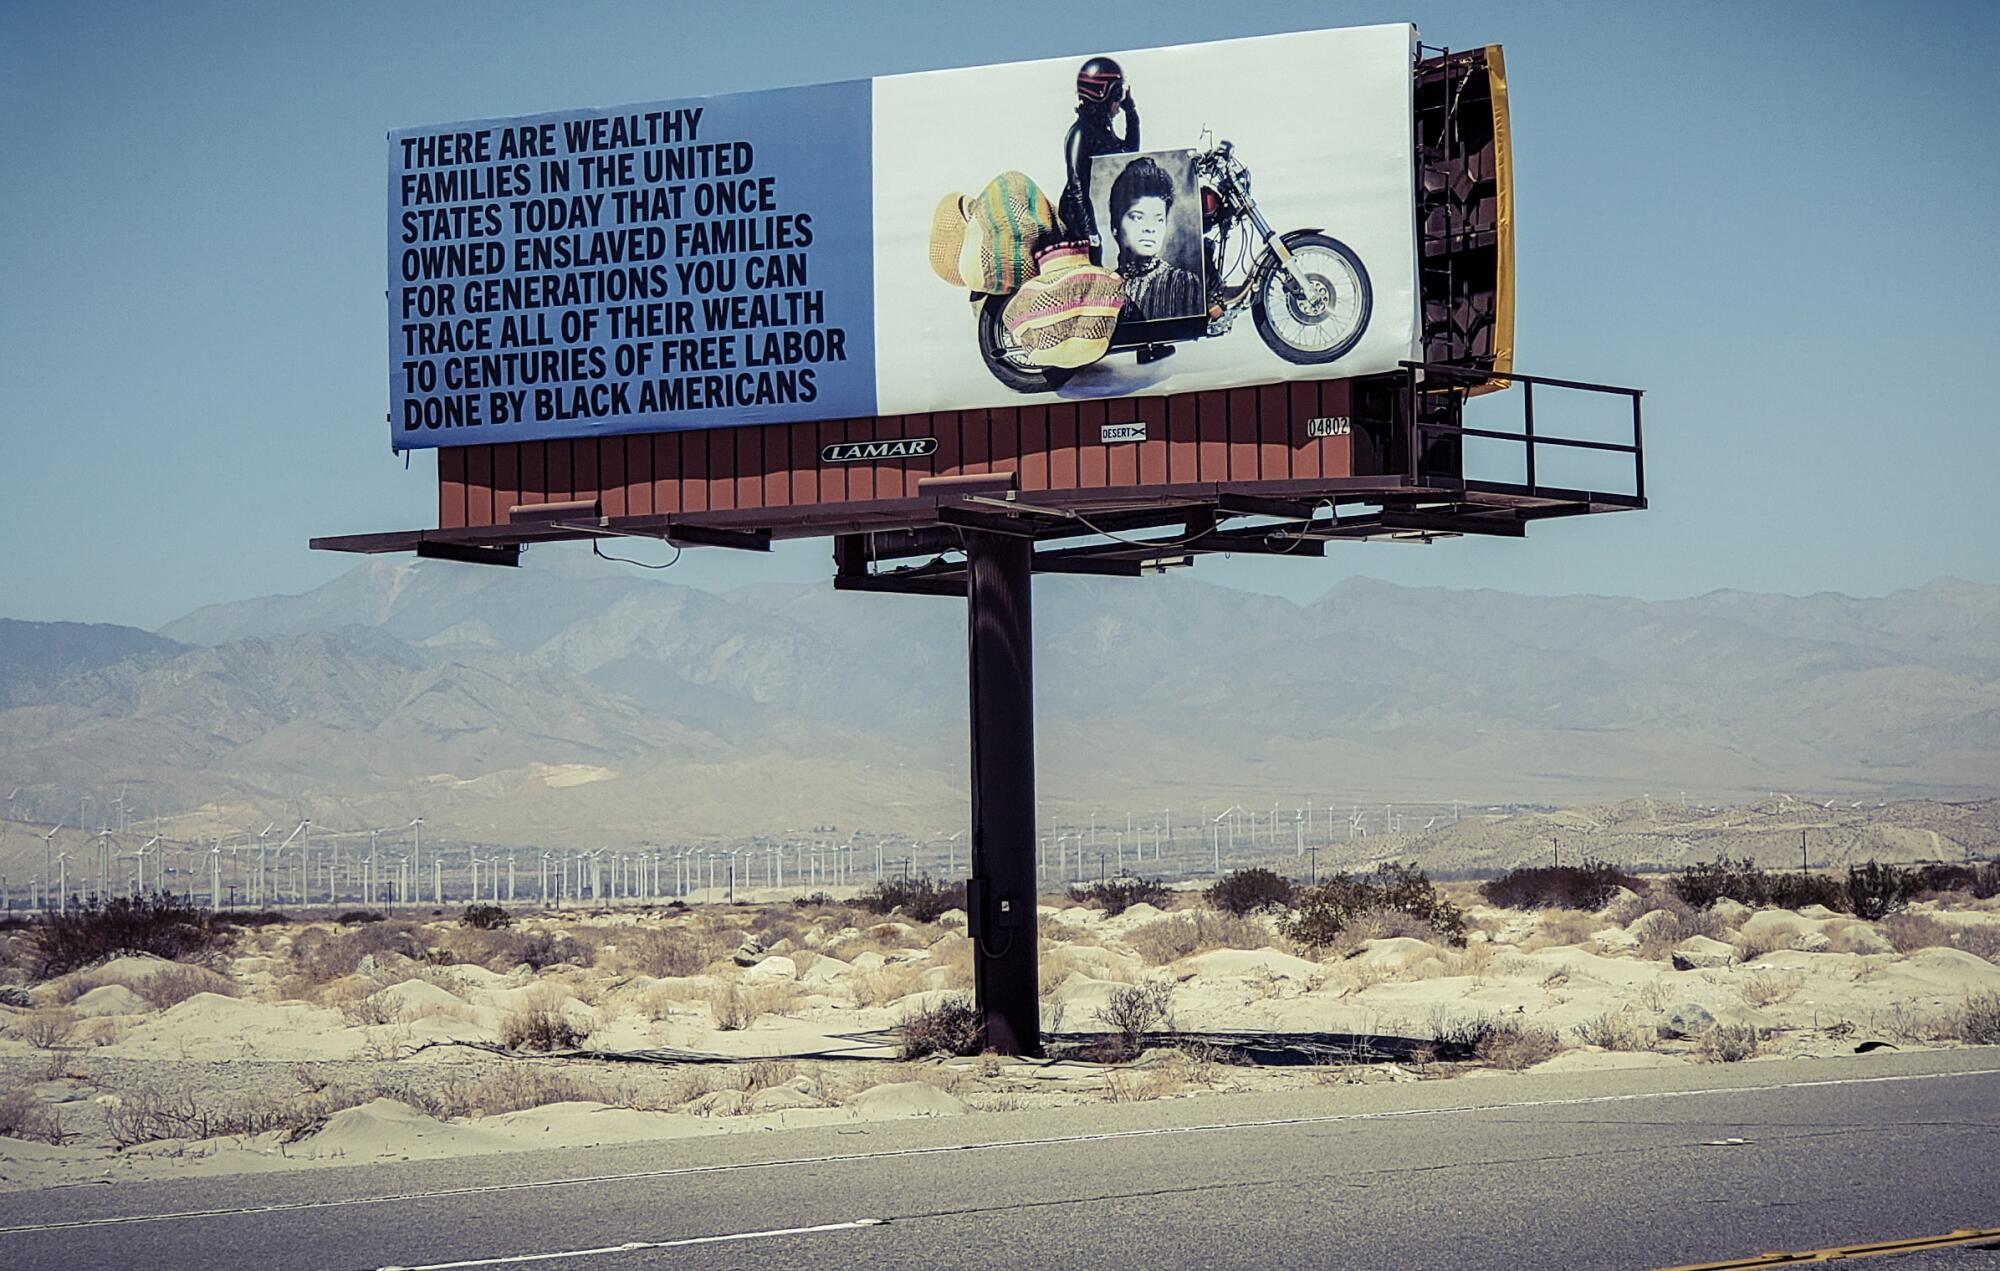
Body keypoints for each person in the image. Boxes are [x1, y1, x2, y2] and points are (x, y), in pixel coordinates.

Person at [1061, 56, 1140, 258]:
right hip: (1080, 227)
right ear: (1103, 95)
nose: (1119, 101)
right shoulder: (1081, 133)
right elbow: (1076, 187)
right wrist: (1091, 235)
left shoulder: (1103, 132)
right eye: (1117, 94)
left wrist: (1131, 112)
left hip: (1101, 218)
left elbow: (1128, 155)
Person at [1107, 156, 1202, 322]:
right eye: (1138, 217)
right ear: (1114, 225)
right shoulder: (1103, 289)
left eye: (1158, 219)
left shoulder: (1183, 283)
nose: (1150, 228)